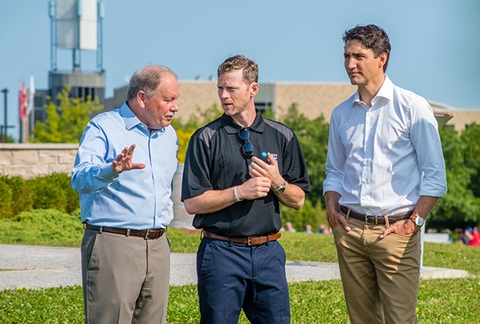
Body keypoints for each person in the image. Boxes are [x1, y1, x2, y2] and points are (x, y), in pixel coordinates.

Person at [323, 24, 447, 324]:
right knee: (362, 320)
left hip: (397, 233)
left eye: (359, 56)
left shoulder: (412, 107)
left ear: (382, 58)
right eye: (346, 56)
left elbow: (435, 176)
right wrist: (331, 206)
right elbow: (334, 170)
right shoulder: (341, 114)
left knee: (400, 320)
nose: (350, 64)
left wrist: (414, 222)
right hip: (350, 231)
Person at [181, 54, 310, 324]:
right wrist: (241, 191)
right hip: (221, 253)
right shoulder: (205, 138)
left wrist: (278, 182)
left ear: (253, 89)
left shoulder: (283, 135)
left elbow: (298, 200)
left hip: (269, 253)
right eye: (220, 88)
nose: (224, 95)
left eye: (231, 88)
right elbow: (192, 203)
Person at [71, 64, 180, 324]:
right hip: (114, 244)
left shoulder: (170, 136)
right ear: (142, 98)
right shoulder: (104, 127)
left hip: (158, 246)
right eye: (168, 99)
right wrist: (112, 169)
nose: (174, 107)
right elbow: (80, 178)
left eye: (176, 99)